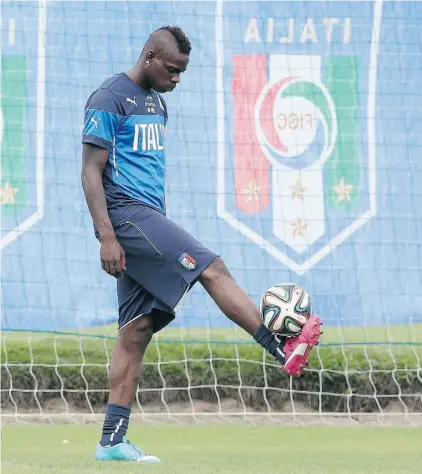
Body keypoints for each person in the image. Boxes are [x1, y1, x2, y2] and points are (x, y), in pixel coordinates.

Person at [81, 25, 323, 463]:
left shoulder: (157, 102)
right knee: (212, 267)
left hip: (149, 217)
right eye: (172, 70)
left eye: (182, 73)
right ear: (150, 56)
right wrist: (107, 236)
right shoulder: (108, 98)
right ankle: (280, 346)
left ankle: (111, 442)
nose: (176, 80)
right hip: (126, 217)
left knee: (135, 331)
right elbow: (90, 172)